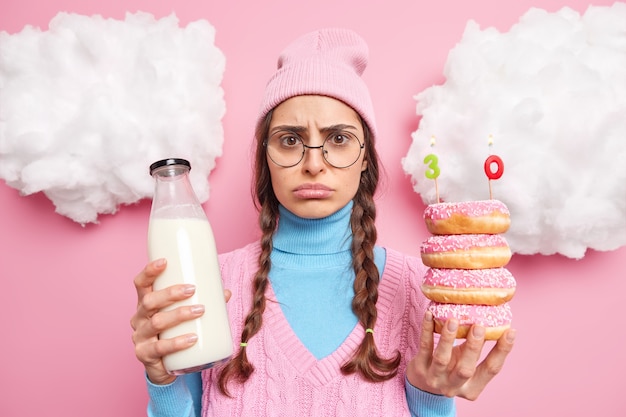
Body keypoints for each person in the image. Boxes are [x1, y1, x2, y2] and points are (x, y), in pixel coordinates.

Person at [130, 28, 516, 417]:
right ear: (265, 155)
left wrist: (430, 396)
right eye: (290, 140)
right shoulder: (210, 284)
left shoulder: (423, 289)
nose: (314, 164)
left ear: (366, 156)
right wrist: (163, 382)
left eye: (338, 139)